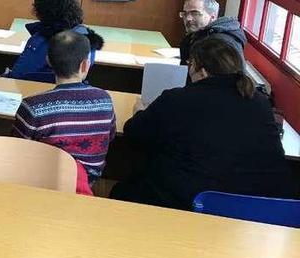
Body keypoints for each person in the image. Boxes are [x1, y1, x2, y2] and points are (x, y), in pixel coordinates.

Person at [110, 37, 295, 210]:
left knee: (122, 190)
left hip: (191, 201)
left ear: (203, 71)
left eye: (191, 65)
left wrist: (139, 112)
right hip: (261, 206)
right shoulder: (260, 102)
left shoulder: (178, 99)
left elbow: (133, 133)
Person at [12, 30, 116, 189]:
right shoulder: (105, 100)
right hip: (88, 182)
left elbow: (18, 149)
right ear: (85, 64)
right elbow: (111, 136)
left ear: (48, 61)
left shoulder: (32, 106)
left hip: (43, 183)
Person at [5, 0, 103, 83]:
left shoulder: (40, 41)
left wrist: (6, 75)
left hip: (33, 90)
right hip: (71, 91)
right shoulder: (86, 37)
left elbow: (18, 74)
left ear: (42, 12)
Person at [178, 0, 246, 65]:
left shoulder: (221, 44)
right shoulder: (196, 34)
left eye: (195, 13)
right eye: (185, 14)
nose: (188, 18)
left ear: (212, 17)